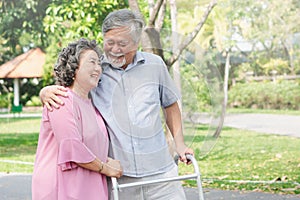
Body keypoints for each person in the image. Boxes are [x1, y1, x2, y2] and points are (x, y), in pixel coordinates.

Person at [40, 9, 193, 200]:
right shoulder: (96, 70)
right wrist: (45, 91)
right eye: (109, 42)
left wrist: (180, 144)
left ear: (136, 43)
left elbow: (170, 105)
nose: (114, 49)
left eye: (122, 44)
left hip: (162, 174)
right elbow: (71, 90)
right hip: (120, 177)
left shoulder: (155, 65)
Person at [32, 38, 122, 200]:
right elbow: (72, 147)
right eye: (92, 62)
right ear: (74, 67)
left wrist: (106, 160)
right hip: (63, 189)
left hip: (89, 185)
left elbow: (92, 147)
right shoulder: (61, 99)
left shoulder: (92, 105)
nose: (98, 69)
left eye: (99, 64)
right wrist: (107, 168)